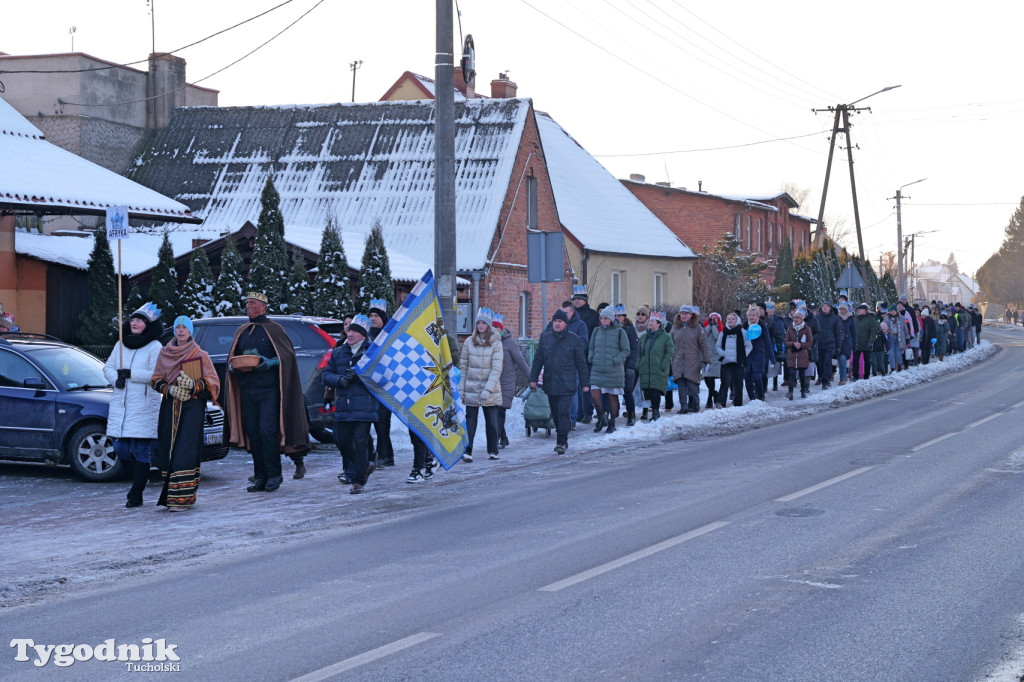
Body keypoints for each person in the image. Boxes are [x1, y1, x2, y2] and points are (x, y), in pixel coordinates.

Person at [226, 291, 310, 493]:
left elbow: (287, 357)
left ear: (263, 307)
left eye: (252, 303)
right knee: (253, 433)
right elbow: (234, 356)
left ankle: (274, 474)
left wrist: (269, 363)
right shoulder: (242, 331)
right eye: (247, 303)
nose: (248, 306)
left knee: (267, 431)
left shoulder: (275, 329)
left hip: (269, 390)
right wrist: (232, 367)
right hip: (248, 389)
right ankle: (260, 476)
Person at [150, 316, 219, 511]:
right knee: (169, 449)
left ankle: (182, 498)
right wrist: (169, 389)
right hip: (170, 408)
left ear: (190, 332)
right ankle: (171, 496)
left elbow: (214, 382)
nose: (181, 330)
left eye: (185, 327)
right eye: (178, 327)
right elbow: (155, 379)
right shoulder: (164, 353)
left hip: (192, 408)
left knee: (185, 449)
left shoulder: (200, 354)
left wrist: (195, 385)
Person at [103, 302, 163, 508]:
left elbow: (156, 375)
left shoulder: (155, 346)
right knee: (120, 448)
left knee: (142, 450)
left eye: (140, 320)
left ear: (148, 325)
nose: (135, 323)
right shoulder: (120, 345)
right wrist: (116, 379)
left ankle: (136, 493)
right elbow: (108, 367)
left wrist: (130, 374)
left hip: (144, 405)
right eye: (133, 319)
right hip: (122, 405)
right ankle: (140, 478)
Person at [321, 314, 378, 493]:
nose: (350, 334)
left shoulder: (372, 353)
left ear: (363, 335)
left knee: (360, 442)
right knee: (342, 441)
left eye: (355, 332)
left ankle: (358, 481)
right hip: (343, 406)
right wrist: (340, 380)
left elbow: (382, 377)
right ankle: (365, 465)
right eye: (349, 330)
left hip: (365, 406)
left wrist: (360, 377)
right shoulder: (338, 352)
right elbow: (326, 375)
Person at [530, 310, 590, 455]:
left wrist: (584, 383)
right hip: (550, 382)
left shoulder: (574, 340)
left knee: (563, 412)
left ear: (565, 324)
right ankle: (563, 431)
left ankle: (561, 442)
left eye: (560, 321)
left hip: (567, 383)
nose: (557, 324)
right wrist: (533, 379)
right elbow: (538, 360)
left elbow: (581, 363)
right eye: (555, 321)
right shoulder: (545, 338)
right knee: (556, 413)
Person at [458, 308, 504, 462]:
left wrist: (488, 389)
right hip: (472, 387)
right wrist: (461, 388)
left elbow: (496, 369)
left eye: (484, 323)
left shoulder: (496, 343)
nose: (481, 325)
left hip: (490, 389)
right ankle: (467, 450)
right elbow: (463, 367)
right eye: (478, 323)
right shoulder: (469, 342)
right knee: (470, 420)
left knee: (491, 421)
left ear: (489, 325)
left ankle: (493, 450)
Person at [588, 305, 630, 432]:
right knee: (594, 395)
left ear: (611, 319)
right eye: (601, 318)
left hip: (613, 370)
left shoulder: (620, 332)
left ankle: (612, 422)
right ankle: (601, 417)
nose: (603, 321)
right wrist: (591, 357)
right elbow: (591, 347)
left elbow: (626, 350)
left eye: (605, 318)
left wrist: (615, 360)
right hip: (597, 369)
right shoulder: (597, 331)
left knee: (612, 396)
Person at [493, 312, 531, 449]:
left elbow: (521, 362)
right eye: (493, 328)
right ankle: (503, 438)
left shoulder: (509, 343)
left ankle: (496, 441)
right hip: (492, 382)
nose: (495, 330)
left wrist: (531, 378)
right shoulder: (488, 342)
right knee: (494, 412)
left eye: (497, 327)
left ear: (501, 329)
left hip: (506, 382)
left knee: (500, 411)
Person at [367, 297, 395, 467]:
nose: (373, 318)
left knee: (382, 422)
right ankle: (385, 455)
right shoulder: (366, 334)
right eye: (371, 315)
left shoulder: (390, 335)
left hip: (386, 384)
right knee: (371, 421)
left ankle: (384, 455)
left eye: (376, 316)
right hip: (368, 384)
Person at [671, 305, 711, 413]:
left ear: (691, 315)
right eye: (682, 313)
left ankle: (696, 405)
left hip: (693, 361)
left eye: (686, 313)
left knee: (692, 384)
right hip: (678, 361)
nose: (683, 315)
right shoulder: (675, 327)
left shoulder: (697, 328)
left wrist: (706, 360)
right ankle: (684, 406)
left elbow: (704, 345)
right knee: (681, 385)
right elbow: (669, 343)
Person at [637, 311, 673, 420]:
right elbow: (639, 353)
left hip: (658, 368)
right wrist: (639, 364)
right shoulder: (644, 337)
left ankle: (655, 412)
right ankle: (645, 411)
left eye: (653, 321)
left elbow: (669, 352)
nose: (650, 323)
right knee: (645, 391)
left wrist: (663, 365)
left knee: (655, 390)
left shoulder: (666, 337)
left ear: (659, 324)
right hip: (645, 368)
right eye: (650, 321)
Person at [716, 311, 751, 407]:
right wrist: (723, 354)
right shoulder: (723, 332)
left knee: (738, 384)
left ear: (737, 320)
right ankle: (721, 402)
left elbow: (749, 346)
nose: (730, 320)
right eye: (729, 319)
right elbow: (718, 346)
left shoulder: (743, 332)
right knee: (724, 383)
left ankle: (738, 404)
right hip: (726, 362)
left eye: (733, 319)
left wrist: (742, 355)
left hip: (738, 362)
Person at [613, 305, 640, 426]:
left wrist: (631, 367)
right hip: (614, 365)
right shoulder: (612, 329)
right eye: (615, 315)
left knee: (627, 391)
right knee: (612, 392)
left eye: (619, 315)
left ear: (624, 317)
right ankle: (613, 414)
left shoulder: (630, 329)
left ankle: (630, 415)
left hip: (626, 365)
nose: (617, 317)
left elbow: (634, 349)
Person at [784, 309, 813, 399]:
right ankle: (790, 392)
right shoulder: (790, 329)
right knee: (791, 374)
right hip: (792, 355)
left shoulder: (807, 329)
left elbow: (810, 342)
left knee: (802, 375)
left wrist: (801, 345)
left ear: (802, 319)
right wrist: (793, 343)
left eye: (798, 318)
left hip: (802, 355)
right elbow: (786, 341)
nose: (796, 319)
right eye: (794, 318)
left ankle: (803, 392)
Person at [742, 305, 769, 401]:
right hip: (747, 355)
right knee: (747, 377)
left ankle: (761, 394)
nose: (751, 317)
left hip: (758, 355)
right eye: (749, 315)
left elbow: (767, 341)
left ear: (757, 316)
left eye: (753, 315)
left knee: (757, 376)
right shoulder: (744, 325)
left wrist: (772, 356)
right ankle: (751, 397)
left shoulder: (762, 325)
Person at [814, 302, 840, 389]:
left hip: (829, 344)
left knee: (827, 362)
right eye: (823, 306)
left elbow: (837, 333)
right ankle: (822, 376)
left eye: (826, 306)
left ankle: (825, 381)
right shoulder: (817, 317)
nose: (825, 308)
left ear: (830, 308)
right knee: (820, 363)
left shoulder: (834, 318)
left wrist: (838, 346)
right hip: (819, 344)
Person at [853, 303, 879, 380]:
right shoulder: (855, 319)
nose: (859, 311)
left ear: (865, 311)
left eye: (860, 310)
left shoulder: (870, 319)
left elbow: (873, 331)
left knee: (867, 360)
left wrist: (871, 341)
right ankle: (855, 376)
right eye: (858, 310)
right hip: (857, 343)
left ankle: (866, 375)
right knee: (855, 360)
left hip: (867, 343)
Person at [702, 312, 723, 408]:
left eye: (715, 318)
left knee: (711, 378)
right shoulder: (705, 327)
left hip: (715, 356)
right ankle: (715, 394)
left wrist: (714, 326)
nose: (713, 320)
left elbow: (717, 337)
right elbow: (703, 336)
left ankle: (709, 400)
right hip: (705, 356)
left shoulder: (720, 328)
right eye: (712, 318)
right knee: (706, 378)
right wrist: (709, 326)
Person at [764, 302, 786, 391]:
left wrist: (779, 343)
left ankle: (775, 382)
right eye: (768, 312)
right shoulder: (764, 320)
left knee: (776, 364)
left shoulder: (778, 321)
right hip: (766, 345)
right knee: (765, 365)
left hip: (775, 344)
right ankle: (765, 384)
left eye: (771, 311)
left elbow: (781, 333)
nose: (769, 313)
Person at [835, 302, 856, 385]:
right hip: (837, 342)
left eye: (843, 309)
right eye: (841, 309)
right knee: (839, 360)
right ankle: (842, 374)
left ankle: (842, 378)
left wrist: (855, 343)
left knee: (843, 359)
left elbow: (853, 331)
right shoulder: (836, 317)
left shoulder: (850, 318)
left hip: (847, 342)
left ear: (846, 310)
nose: (842, 311)